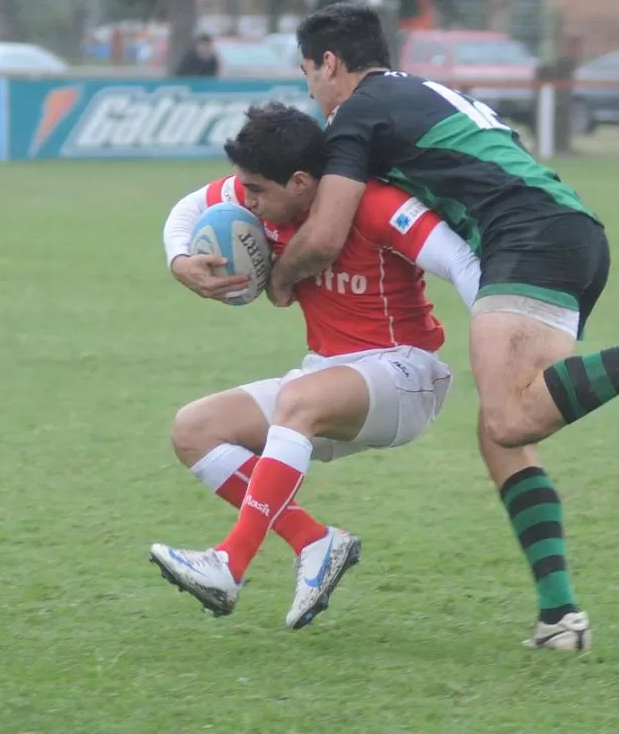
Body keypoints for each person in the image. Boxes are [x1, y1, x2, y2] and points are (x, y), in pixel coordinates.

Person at [264, 2, 619, 649]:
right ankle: (560, 616)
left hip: (528, 238)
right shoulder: (421, 93)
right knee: (503, 433)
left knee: (510, 418)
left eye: (308, 73)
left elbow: (326, 234)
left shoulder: (357, 113)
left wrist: (277, 279)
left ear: (330, 62)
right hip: (568, 230)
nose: (311, 90)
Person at [151, 103, 480, 629]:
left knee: (297, 400)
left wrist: (499, 332)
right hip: (328, 377)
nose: (247, 202)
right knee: (193, 428)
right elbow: (187, 209)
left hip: (405, 374)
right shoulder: (263, 197)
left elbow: (461, 262)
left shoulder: (373, 204)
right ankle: (313, 541)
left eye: (257, 191)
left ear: (301, 182)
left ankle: (229, 565)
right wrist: (180, 261)